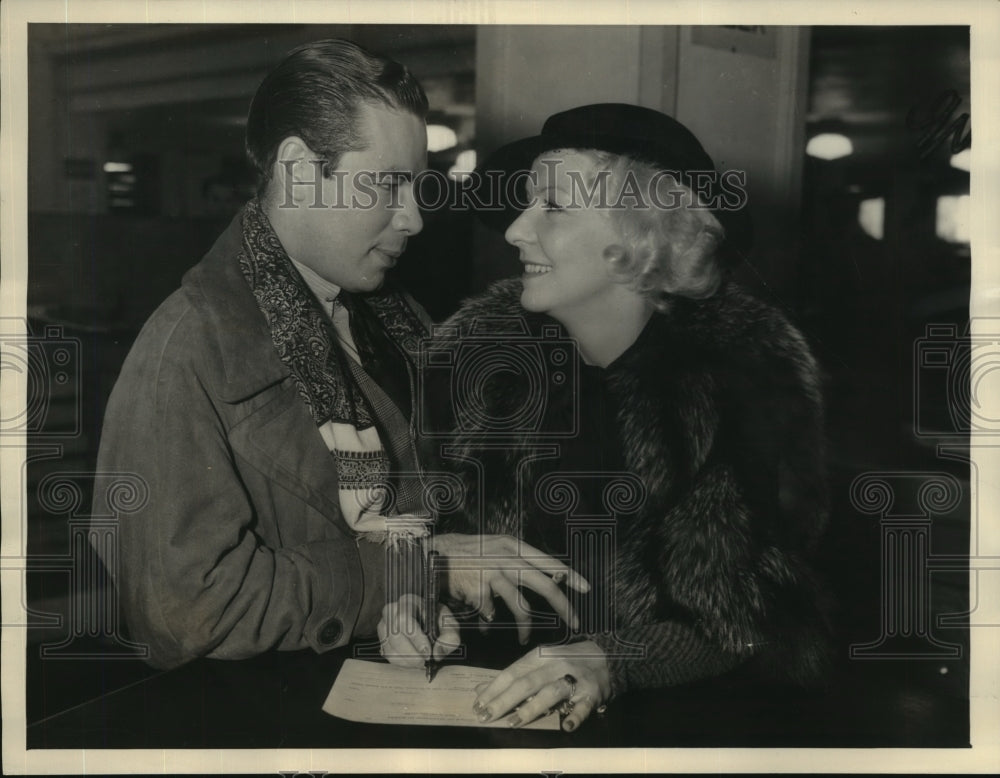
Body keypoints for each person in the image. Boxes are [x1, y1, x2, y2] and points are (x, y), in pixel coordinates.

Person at [91, 39, 585, 670]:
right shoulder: (186, 349)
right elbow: (187, 612)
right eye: (387, 185)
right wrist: (423, 567)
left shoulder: (390, 314)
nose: (413, 219)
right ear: (298, 169)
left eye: (417, 188)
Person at [382, 103, 832, 732]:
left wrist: (610, 659)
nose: (515, 230)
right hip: (490, 712)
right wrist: (417, 596)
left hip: (680, 731)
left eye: (553, 206)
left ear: (644, 234)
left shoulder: (745, 382)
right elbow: (423, 534)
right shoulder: (472, 366)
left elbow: (749, 618)